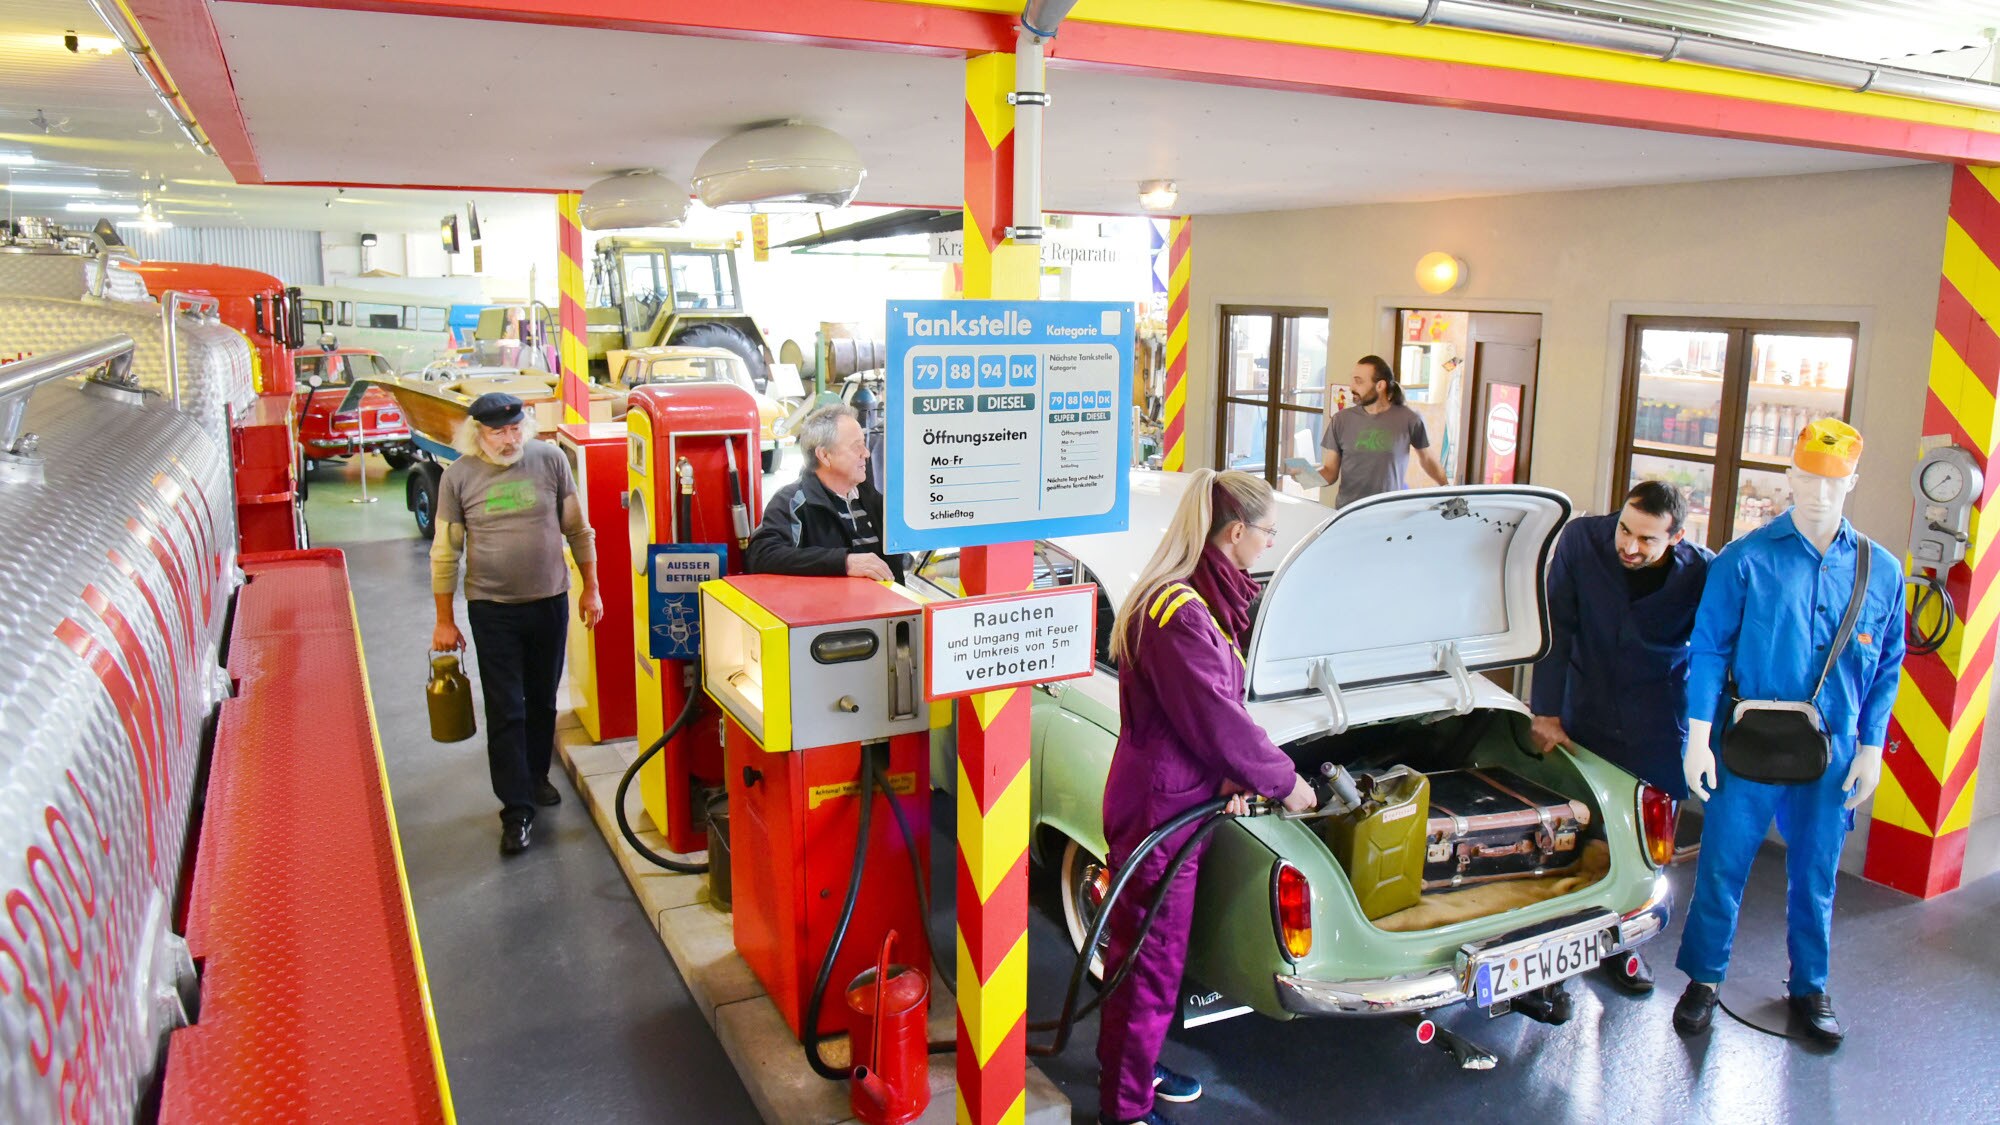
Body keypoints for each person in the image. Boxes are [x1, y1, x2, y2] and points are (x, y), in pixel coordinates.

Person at [1671, 418, 1904, 1045]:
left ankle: (1811, 986)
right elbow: (1710, 650)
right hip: (1747, 743)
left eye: (1833, 482)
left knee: (1816, 873)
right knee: (1722, 865)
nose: (1819, 492)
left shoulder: (1880, 571)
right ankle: (1703, 980)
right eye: (1807, 478)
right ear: (1788, 477)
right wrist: (1696, 735)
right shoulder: (1746, 560)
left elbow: (1888, 664)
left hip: (1833, 751)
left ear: (1853, 482)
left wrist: (1873, 747)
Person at [1096, 469, 1317, 1125]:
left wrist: (1228, 781)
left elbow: (1193, 720)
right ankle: (1126, 1106)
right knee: (1151, 960)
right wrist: (1285, 780)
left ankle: (1130, 1063)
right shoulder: (1182, 614)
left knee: (1144, 952)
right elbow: (1217, 720)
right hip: (1160, 811)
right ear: (1236, 530)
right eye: (1268, 532)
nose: (1268, 544)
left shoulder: (1193, 598)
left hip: (1171, 795)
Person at [1529, 479, 1713, 992]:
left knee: (1643, 845)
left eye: (1647, 540)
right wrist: (1544, 711)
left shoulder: (1702, 572)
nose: (1630, 546)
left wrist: (1707, 732)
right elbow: (1556, 628)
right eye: (1625, 530)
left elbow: (1717, 647)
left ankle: (1624, 948)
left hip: (1657, 720)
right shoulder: (1581, 542)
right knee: (1572, 838)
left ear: (1676, 538)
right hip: (1582, 710)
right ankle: (1550, 962)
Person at [431, 393, 602, 856]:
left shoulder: (549, 460)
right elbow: (446, 553)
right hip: (493, 609)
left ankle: (536, 775)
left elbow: (577, 529)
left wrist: (591, 587)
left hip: (548, 601)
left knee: (543, 698)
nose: (508, 440)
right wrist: (444, 620)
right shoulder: (458, 477)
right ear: (476, 434)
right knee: (507, 708)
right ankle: (516, 810)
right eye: (497, 432)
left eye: (514, 429)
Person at [747, 403, 903, 581]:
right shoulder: (793, 501)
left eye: (864, 444)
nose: (866, 453)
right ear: (824, 455)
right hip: (835, 607)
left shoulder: (870, 496)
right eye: (856, 446)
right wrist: (843, 562)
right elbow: (761, 555)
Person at [1292, 355, 1448, 507]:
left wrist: (1447, 489)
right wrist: (1305, 476)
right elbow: (1330, 473)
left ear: (1380, 385)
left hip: (1389, 511)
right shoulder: (1341, 420)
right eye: (1352, 380)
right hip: (1349, 512)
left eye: (1358, 381)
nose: (1352, 387)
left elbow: (1427, 459)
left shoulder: (1410, 419)